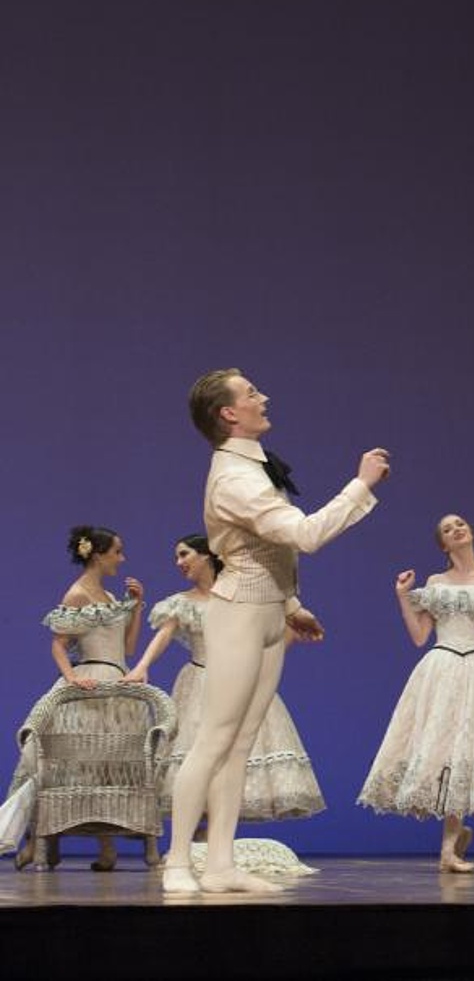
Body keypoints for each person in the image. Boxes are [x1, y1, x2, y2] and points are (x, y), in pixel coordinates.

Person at [164, 369, 387, 895]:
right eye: (251, 394)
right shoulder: (235, 478)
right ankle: (177, 862)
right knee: (214, 740)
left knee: (240, 744)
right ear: (229, 413)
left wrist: (290, 604)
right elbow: (304, 536)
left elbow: (269, 551)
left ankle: (219, 864)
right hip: (237, 613)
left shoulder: (253, 469)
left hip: (265, 614)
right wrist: (361, 484)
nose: (262, 399)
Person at [125, 534, 322, 877]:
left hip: (238, 680)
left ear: (207, 556)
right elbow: (164, 635)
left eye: (184, 554)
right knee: (202, 753)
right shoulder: (183, 602)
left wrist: (262, 662)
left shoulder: (238, 598)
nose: (179, 562)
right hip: (201, 682)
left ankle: (216, 847)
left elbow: (276, 630)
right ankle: (188, 850)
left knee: (234, 754)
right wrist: (142, 667)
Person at [358, 514, 474, 873]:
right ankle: (450, 845)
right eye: (447, 529)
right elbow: (419, 636)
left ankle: (450, 845)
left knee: (469, 751)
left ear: (470, 531)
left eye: (460, 523)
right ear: (443, 544)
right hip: (441, 669)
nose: (457, 529)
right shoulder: (436, 583)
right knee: (444, 752)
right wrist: (402, 596)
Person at [7, 526, 145, 870]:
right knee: (71, 766)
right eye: (117, 551)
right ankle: (42, 840)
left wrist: (137, 607)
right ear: (98, 554)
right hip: (89, 681)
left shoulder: (111, 599)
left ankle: (106, 847)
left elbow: (127, 649)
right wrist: (71, 678)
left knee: (105, 768)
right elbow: (58, 643)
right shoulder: (77, 594)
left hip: (116, 682)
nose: (121, 558)